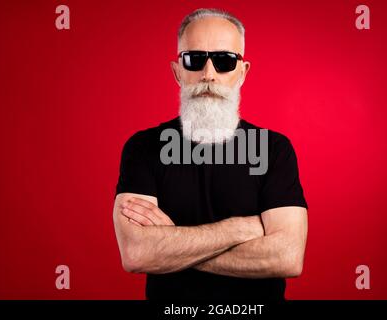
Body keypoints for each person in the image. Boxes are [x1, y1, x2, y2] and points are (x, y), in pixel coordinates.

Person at [113, 8, 308, 301]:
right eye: (194, 60)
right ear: (177, 71)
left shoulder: (274, 150)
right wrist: (240, 228)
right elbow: (137, 254)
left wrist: (172, 244)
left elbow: (287, 258)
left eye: (224, 61)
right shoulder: (143, 148)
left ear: (243, 72)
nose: (208, 75)